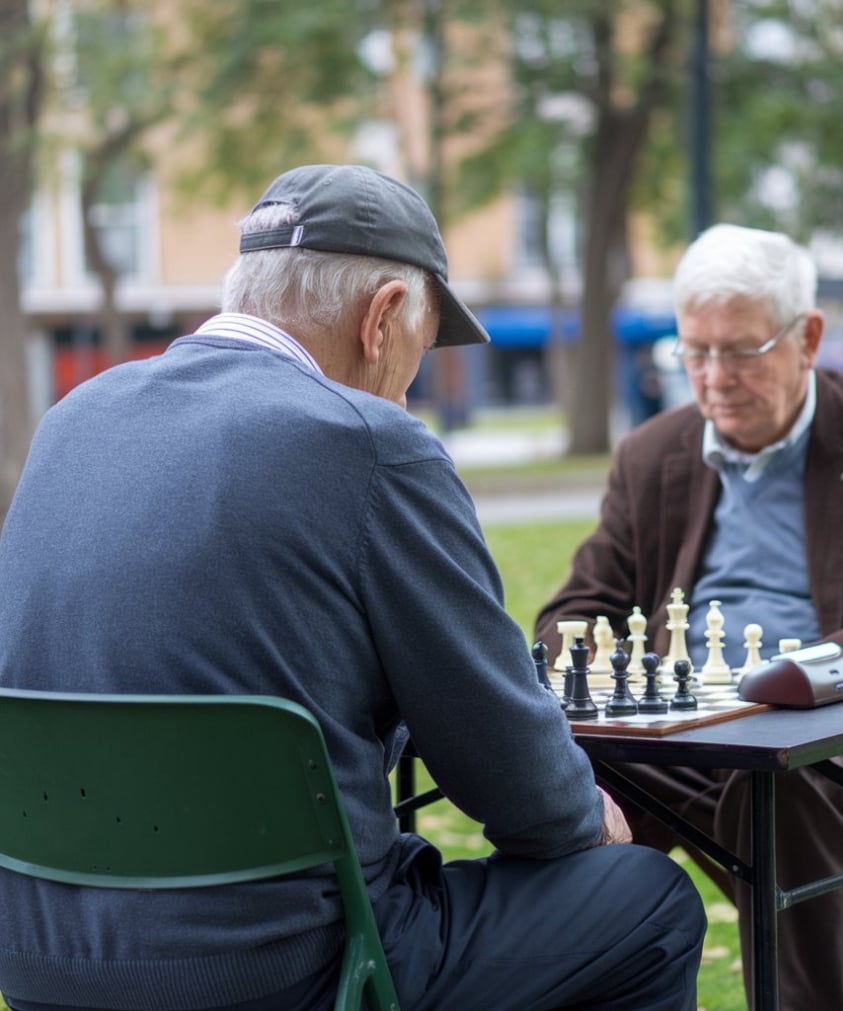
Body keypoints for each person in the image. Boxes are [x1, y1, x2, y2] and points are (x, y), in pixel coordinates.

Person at [0, 164, 706, 1011]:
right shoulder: (368, 440)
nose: (409, 386)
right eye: (419, 349)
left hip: (46, 962)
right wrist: (589, 817)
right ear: (380, 319)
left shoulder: (73, 418)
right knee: (645, 900)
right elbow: (523, 789)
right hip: (283, 972)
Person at [534, 223, 843, 1011]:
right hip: (688, 733)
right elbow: (570, 614)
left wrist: (764, 688)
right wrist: (647, 683)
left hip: (842, 736)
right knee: (551, 768)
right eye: (693, 351)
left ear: (806, 336)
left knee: (786, 785)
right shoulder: (651, 453)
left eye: (738, 351)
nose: (713, 378)